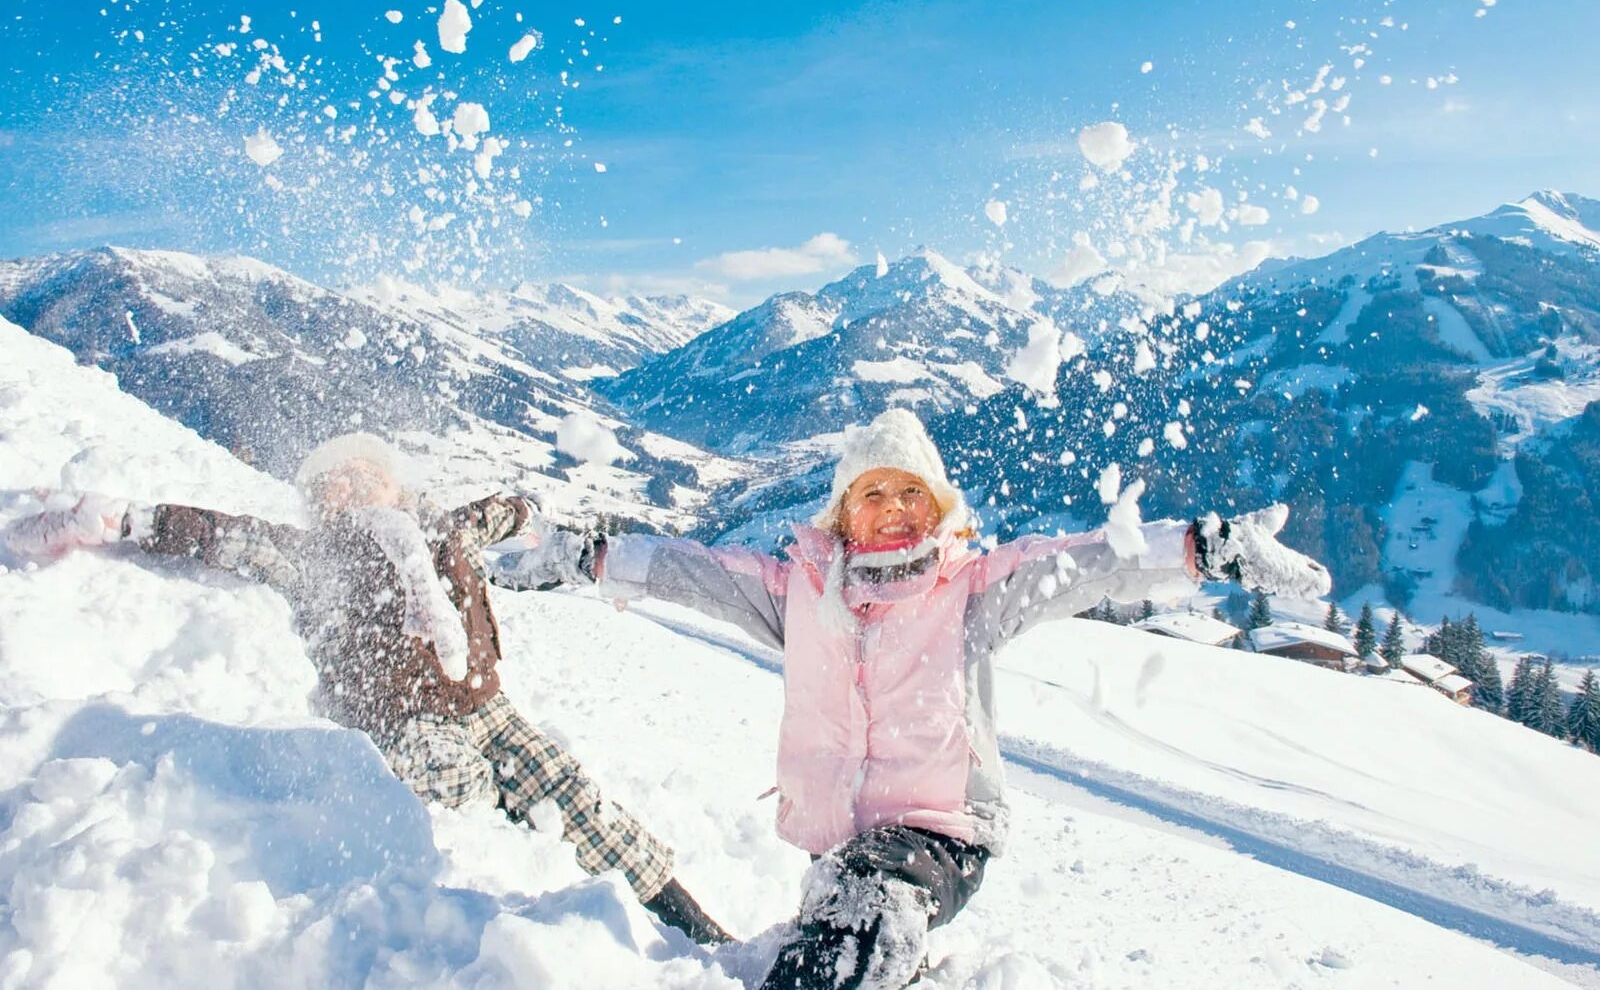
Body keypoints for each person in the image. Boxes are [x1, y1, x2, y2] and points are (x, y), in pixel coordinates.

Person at [499, 408, 1331, 989]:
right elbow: (690, 572)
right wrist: (583, 557)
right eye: (873, 494)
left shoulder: (970, 591)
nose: (894, 511)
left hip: (942, 837)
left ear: (937, 509)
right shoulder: (803, 594)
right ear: (844, 514)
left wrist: (1201, 548)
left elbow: (1084, 564)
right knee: (850, 909)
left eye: (912, 496)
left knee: (867, 897)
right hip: (845, 845)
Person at [2, 432, 729, 946]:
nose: (351, 486)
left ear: (399, 488)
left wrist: (524, 511)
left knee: (579, 799)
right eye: (332, 482)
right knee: (459, 793)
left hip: (490, 708)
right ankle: (504, 917)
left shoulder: (445, 531)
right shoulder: (312, 554)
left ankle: (694, 930)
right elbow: (226, 535)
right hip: (402, 723)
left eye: (367, 475)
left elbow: (502, 511)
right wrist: (130, 520)